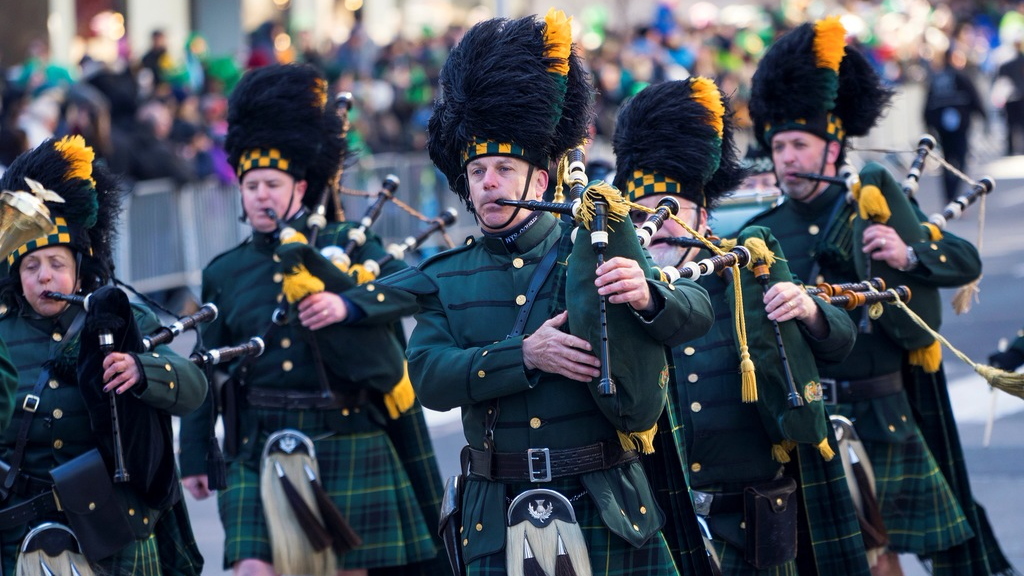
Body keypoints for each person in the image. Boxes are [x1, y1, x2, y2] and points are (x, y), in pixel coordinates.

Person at [381, 10, 715, 575]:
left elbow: (696, 313)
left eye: (504, 168)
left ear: (540, 179)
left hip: (605, 500)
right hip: (497, 510)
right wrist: (523, 355)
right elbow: (430, 378)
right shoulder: (447, 274)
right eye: (478, 171)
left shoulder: (594, 240)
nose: (488, 182)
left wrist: (648, 295)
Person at [746, 17, 1015, 576]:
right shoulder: (761, 231)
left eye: (801, 144)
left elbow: (964, 261)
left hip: (885, 409)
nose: (788, 157)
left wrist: (905, 251)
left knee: (905, 555)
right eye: (779, 146)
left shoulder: (872, 207)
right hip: (814, 421)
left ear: (833, 148)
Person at [177, 63, 444, 576]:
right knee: (252, 570)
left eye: (272, 184)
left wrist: (347, 304)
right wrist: (193, 454)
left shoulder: (344, 246)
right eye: (250, 185)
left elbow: (416, 288)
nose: (260, 195)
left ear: (300, 189)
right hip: (260, 440)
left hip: (344, 431)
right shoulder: (225, 272)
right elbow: (204, 366)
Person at [614, 76, 869, 576]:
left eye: (673, 212)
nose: (658, 226)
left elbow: (839, 339)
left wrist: (810, 311)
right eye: (642, 214)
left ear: (704, 217)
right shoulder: (618, 293)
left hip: (754, 524)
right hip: (665, 531)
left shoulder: (744, 271)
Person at [0, 135, 207, 574]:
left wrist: (141, 369)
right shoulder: (2, 333)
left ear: (79, 268)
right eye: (31, 267)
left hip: (115, 527)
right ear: (17, 277)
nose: (44, 277)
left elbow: (193, 388)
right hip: (19, 531)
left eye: (56, 262)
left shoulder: (118, 318)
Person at [924, 46, 987, 203]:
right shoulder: (961, 77)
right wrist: (984, 117)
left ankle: (949, 196)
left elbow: (927, 107)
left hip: (944, 128)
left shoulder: (936, 79)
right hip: (959, 128)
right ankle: (955, 196)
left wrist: (930, 126)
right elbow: (975, 98)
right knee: (960, 159)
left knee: (947, 162)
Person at [994, 35, 1024, 156]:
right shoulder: (1007, 64)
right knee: (1011, 125)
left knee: (1013, 125)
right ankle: (1011, 148)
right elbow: (1001, 82)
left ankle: (1012, 149)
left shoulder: (1008, 64)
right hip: (1012, 98)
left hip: (1015, 97)